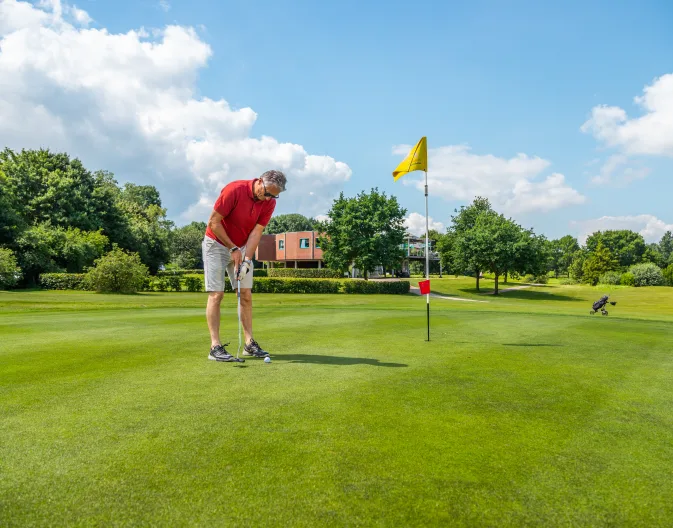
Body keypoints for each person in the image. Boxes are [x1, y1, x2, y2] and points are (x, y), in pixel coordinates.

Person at [203, 170, 287, 362]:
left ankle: (249, 344)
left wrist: (247, 260)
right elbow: (213, 222)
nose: (268, 198)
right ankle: (215, 347)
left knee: (245, 294)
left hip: (241, 247)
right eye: (266, 193)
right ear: (259, 181)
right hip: (216, 243)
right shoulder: (235, 190)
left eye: (273, 196)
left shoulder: (269, 202)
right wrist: (232, 248)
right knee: (217, 294)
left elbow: (257, 232)